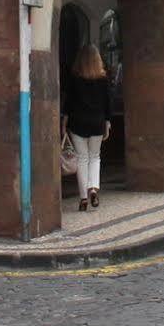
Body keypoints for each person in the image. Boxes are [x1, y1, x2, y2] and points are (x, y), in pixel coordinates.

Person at [65, 43, 111, 211]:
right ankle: (93, 188)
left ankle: (83, 198)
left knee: (82, 159)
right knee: (95, 157)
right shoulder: (103, 79)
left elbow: (68, 103)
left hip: (78, 123)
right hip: (97, 122)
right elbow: (108, 103)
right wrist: (108, 122)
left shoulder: (75, 78)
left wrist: (64, 121)